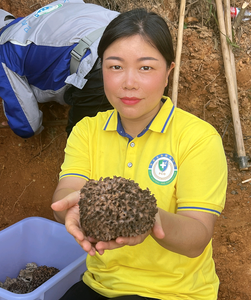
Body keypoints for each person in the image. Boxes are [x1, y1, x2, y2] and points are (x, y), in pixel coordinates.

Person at [51, 8, 228, 300]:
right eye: (115, 66)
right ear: (101, 69)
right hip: (99, 283)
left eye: (145, 68)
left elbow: (196, 237)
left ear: (169, 72)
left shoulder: (198, 138)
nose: (128, 82)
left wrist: (146, 217)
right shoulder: (87, 131)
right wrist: (71, 206)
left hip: (175, 293)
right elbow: (67, 190)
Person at [0, 0, 119, 138]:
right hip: (133, 35)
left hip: (98, 65)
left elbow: (28, 125)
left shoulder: (5, 51)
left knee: (80, 146)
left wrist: (18, 125)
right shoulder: (46, 12)